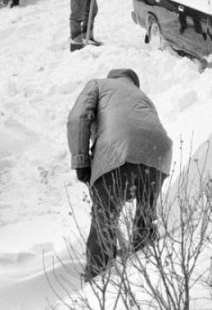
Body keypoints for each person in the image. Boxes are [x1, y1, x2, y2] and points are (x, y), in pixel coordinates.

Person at [67, 68, 173, 281]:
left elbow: (78, 118)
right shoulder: (142, 97)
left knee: (104, 221)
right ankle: (146, 279)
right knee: (145, 221)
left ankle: (97, 281)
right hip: (160, 153)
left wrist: (81, 162)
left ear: (113, 77)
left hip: (118, 149)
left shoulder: (98, 84)